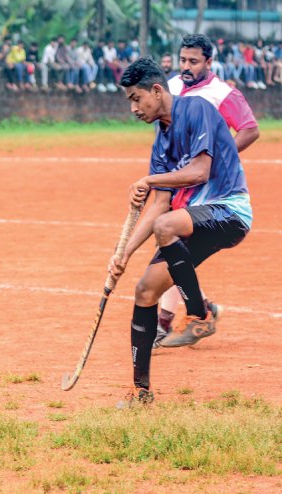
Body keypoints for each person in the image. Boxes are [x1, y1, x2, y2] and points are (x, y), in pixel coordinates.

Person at [111, 58, 252, 408]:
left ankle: (199, 314)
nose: (133, 108)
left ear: (157, 91)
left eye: (136, 98)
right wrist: (123, 254)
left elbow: (200, 171)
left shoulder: (196, 109)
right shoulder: (160, 142)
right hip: (189, 223)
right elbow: (159, 204)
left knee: (167, 225)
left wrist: (148, 180)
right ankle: (141, 391)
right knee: (145, 290)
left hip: (229, 211)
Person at [155, 34, 259, 349]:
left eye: (194, 61)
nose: (186, 67)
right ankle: (201, 309)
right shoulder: (171, 87)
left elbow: (250, 129)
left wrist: (217, 160)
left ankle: (166, 323)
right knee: (174, 251)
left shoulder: (221, 93)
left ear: (209, 62)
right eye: (182, 60)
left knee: (174, 249)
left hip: (210, 190)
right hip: (181, 182)